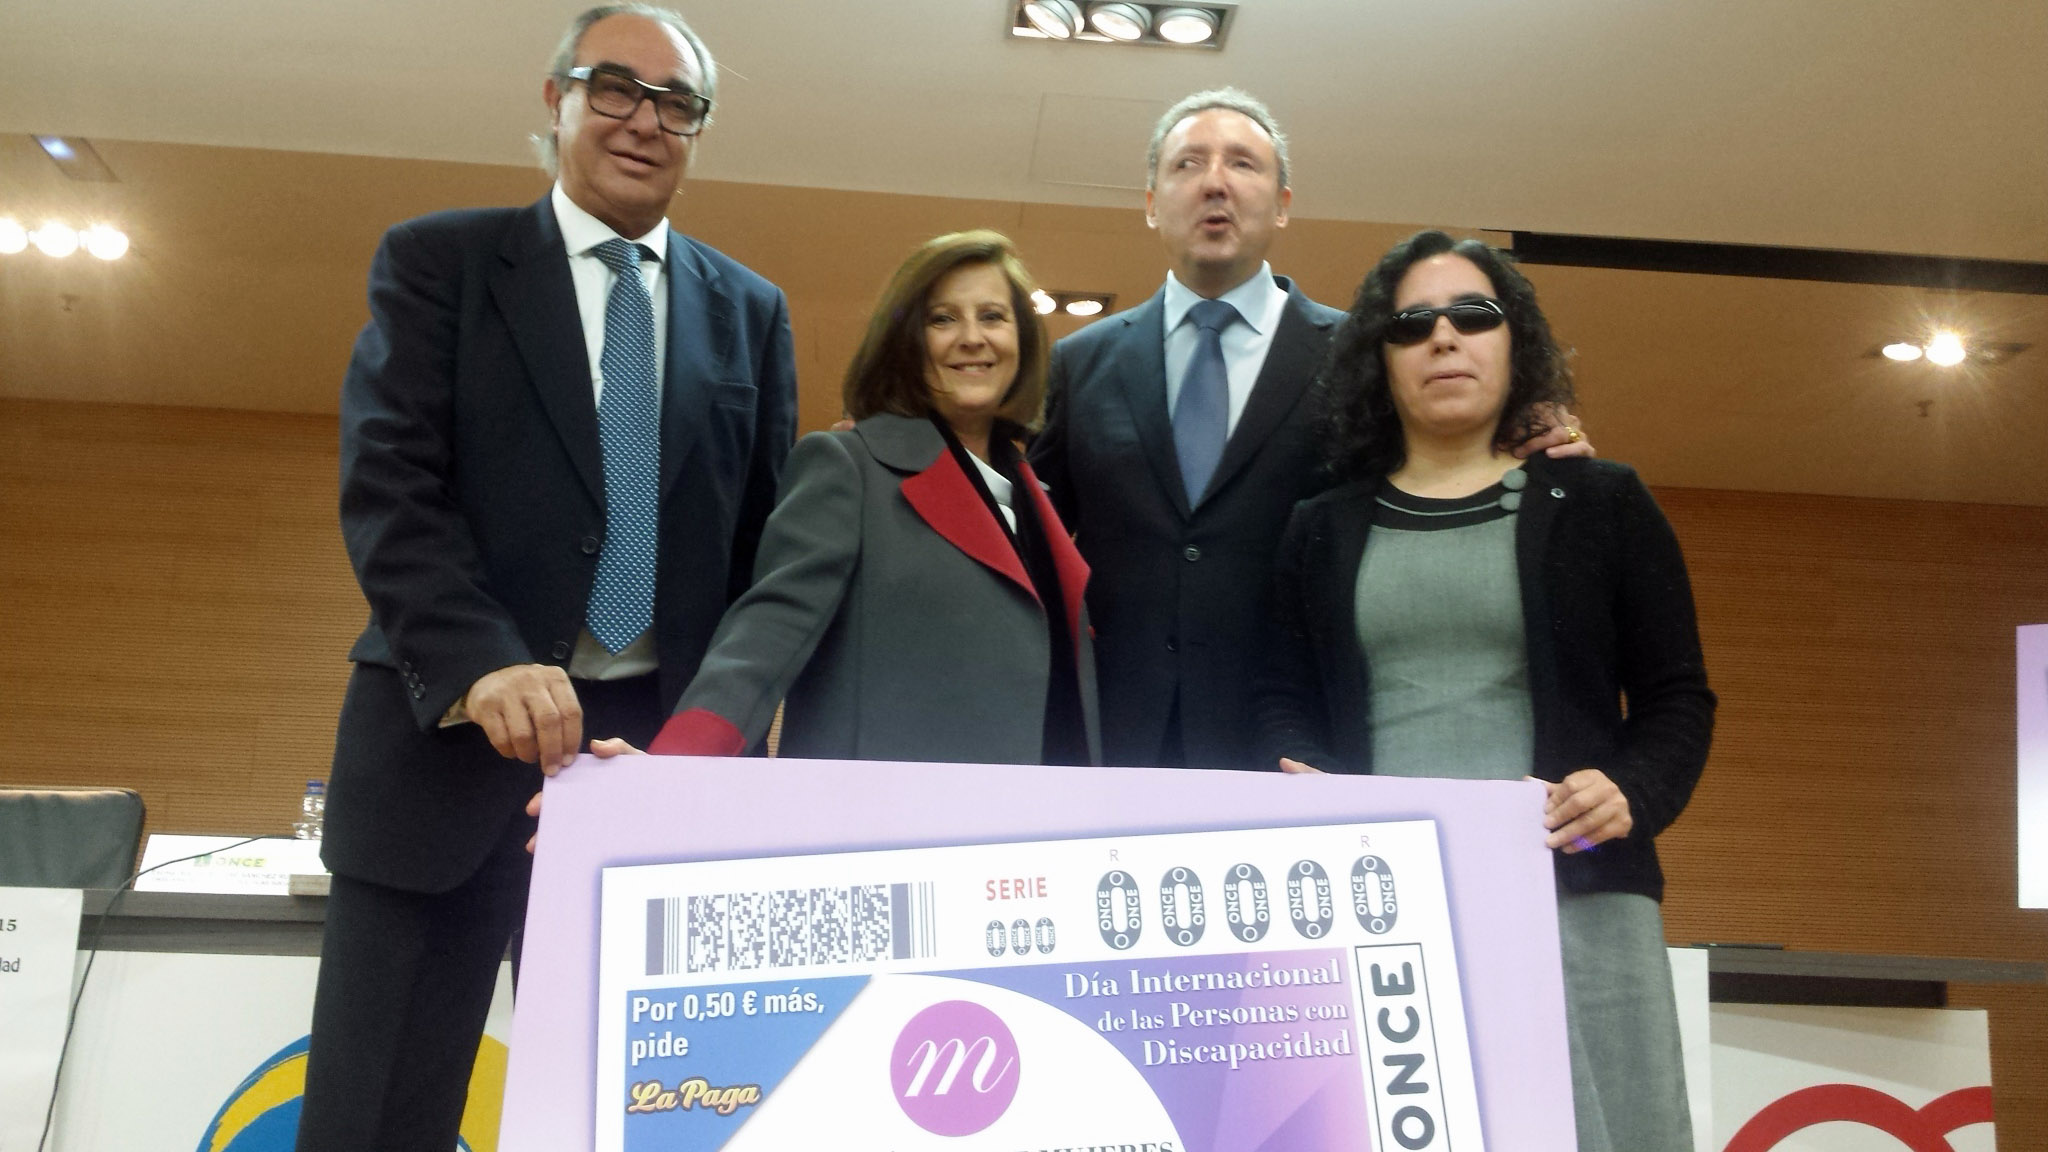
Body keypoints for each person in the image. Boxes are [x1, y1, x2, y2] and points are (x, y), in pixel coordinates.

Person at [300, 6, 796, 1150]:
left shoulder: (751, 312)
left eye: (677, 103)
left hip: (645, 779)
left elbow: (759, 554)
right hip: (440, 765)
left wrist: (718, 750)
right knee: (376, 1120)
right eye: (615, 87)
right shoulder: (441, 263)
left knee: (632, 1124)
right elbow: (390, 485)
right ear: (556, 97)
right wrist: (481, 664)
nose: (644, 121)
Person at [1254, 230, 1714, 1151]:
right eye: (1412, 324)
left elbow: (1678, 698)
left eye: (1473, 315)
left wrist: (1630, 792)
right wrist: (1298, 777)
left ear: (1515, 343)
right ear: (1380, 359)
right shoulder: (1320, 526)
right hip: (1383, 911)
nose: (1444, 337)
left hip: (1579, 898)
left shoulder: (1604, 502)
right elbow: (1279, 697)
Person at [1029, 89, 1588, 772]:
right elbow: (1029, 540)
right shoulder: (1081, 363)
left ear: (1283, 203)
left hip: (1301, 741)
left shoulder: (1364, 357)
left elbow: (1441, 471)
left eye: (1243, 164)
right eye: (1187, 165)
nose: (1215, 183)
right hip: (1112, 736)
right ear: (1150, 203)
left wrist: (1531, 432)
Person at [643, 230, 1098, 765]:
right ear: (905, 342)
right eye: (942, 319)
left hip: (1039, 806)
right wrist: (674, 766)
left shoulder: (1034, 495)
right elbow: (765, 635)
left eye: (993, 316)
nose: (972, 338)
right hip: (888, 810)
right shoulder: (847, 466)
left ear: (1023, 340)